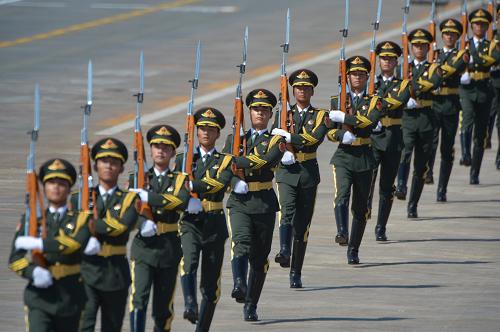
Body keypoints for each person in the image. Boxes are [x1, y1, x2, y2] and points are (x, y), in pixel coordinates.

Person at [224, 89, 285, 321]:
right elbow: (222, 169)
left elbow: (267, 160)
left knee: (259, 258)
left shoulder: (276, 141)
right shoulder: (234, 139)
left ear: (270, 114)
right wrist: (232, 180)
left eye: (264, 110)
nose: (260, 113)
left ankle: (251, 304)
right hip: (239, 202)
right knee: (240, 243)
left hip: (264, 203)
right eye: (256, 109)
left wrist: (235, 162)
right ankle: (239, 284)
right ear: (249, 112)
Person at [9, 158, 91, 332]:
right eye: (51, 182)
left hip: (71, 294)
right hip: (39, 297)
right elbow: (15, 259)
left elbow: (74, 243)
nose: (56, 187)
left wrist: (40, 243)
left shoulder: (81, 219)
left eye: (61, 183)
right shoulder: (31, 221)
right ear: (43, 188)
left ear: (69, 189)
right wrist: (33, 271)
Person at [128, 125, 192, 332]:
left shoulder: (180, 179)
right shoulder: (137, 178)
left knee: (163, 307)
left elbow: (181, 202)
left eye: (165, 147)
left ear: (173, 152)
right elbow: (129, 209)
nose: (160, 150)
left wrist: (151, 198)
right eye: (156, 146)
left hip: (168, 247)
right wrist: (141, 223)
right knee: (139, 299)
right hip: (144, 248)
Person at [174, 108, 233, 331]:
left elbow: (220, 184)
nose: (206, 132)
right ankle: (190, 303)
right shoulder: (183, 159)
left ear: (218, 134)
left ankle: (202, 328)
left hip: (214, 224)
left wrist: (193, 185)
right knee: (187, 263)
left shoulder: (225, 160)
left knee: (210, 285)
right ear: (196, 132)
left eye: (210, 129)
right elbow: (174, 187)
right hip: (190, 222)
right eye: (202, 129)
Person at [271, 68, 328, 288]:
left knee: (302, 225)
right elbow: (274, 138)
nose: (302, 91)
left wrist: (291, 137)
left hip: (307, 172)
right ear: (293, 91)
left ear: (312, 91)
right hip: (286, 171)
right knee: (286, 211)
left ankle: (296, 271)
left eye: (306, 88)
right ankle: (284, 250)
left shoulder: (319, 116)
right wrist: (282, 150)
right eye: (298, 88)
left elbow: (314, 139)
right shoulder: (283, 114)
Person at [79, 137, 139, 332]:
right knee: (83, 326)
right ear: (95, 166)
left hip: (115, 273)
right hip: (86, 272)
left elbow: (122, 226)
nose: (109, 166)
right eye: (104, 161)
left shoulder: (130, 199)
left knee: (112, 327)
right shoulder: (78, 199)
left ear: (121, 168)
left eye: (114, 162)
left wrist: (90, 224)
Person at [328, 55, 384, 264]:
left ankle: (354, 249)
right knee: (341, 194)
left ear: (367, 77)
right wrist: (341, 134)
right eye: (353, 74)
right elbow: (329, 132)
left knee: (360, 207)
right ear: (347, 77)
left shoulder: (375, 101)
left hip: (364, 157)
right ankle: (342, 231)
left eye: (361, 74)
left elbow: (369, 123)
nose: (357, 77)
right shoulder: (338, 100)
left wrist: (345, 118)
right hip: (343, 155)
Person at [394, 28, 443, 218]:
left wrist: (411, 86)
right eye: (416, 46)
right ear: (411, 48)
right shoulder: (402, 69)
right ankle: (401, 185)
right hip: (407, 117)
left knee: (421, 164)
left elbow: (435, 82)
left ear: (428, 47)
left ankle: (413, 204)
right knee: (404, 153)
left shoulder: (433, 68)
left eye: (423, 46)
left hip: (426, 118)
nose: (420, 49)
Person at [366, 41, 411, 241]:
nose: (387, 62)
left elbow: (398, 100)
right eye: (383, 58)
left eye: (390, 59)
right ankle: (365, 207)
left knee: (386, 186)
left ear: (396, 61)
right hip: (373, 139)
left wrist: (376, 104)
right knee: (368, 179)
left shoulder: (402, 84)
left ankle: (381, 226)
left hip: (392, 138)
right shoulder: (370, 84)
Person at [426, 19, 469, 201]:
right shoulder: (433, 54)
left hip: (450, 105)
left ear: (457, 36)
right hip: (434, 104)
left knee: (447, 148)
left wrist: (433, 67)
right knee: (430, 143)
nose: (449, 36)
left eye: (452, 34)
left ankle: (442, 189)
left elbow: (450, 70)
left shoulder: (461, 56)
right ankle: (428, 173)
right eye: (446, 34)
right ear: (442, 36)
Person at [459, 8, 500, 183]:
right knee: (467, 120)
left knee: (481, 132)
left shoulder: (492, 45)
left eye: (483, 24)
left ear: (487, 26)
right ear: (471, 26)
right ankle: (466, 153)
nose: (479, 27)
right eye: (476, 24)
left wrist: (475, 59)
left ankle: (475, 172)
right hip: (467, 89)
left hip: (484, 88)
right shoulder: (465, 44)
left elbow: (496, 57)